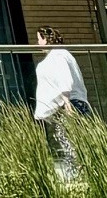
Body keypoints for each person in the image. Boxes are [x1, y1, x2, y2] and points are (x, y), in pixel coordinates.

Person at [32, 28, 89, 172]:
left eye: (39, 39)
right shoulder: (60, 54)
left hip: (70, 103)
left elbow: (64, 78)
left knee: (70, 141)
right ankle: (77, 170)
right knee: (68, 140)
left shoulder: (58, 55)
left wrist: (67, 102)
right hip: (70, 102)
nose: (38, 43)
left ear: (46, 39)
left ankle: (77, 172)